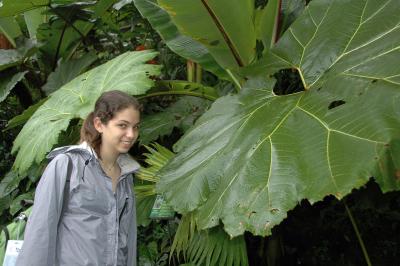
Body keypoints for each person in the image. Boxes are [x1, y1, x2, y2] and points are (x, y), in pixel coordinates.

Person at [16, 90, 141, 266]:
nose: (131, 134)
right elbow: (40, 232)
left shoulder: (126, 175)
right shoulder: (66, 165)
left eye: (135, 126)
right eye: (122, 125)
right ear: (99, 124)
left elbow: (129, 239)